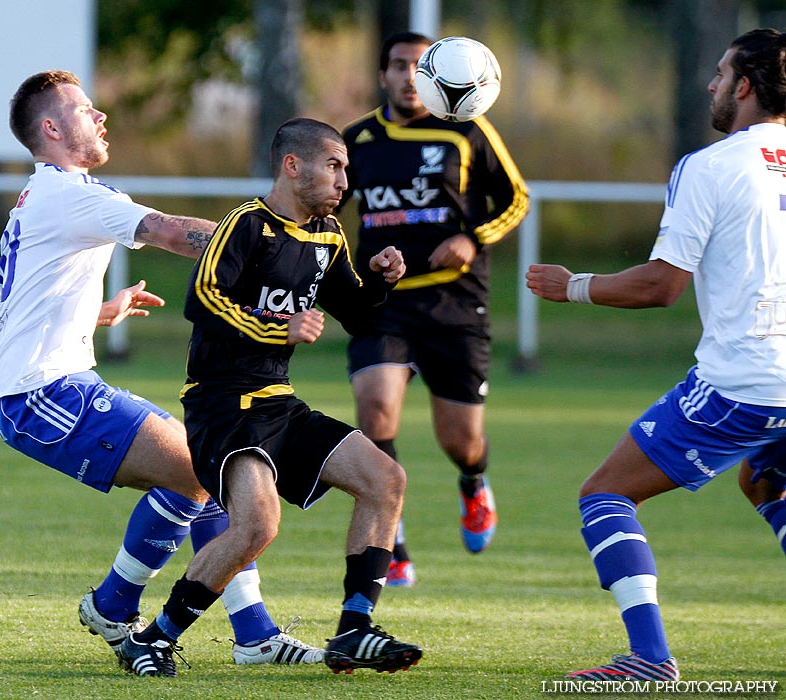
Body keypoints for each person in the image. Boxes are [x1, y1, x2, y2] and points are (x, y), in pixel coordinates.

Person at [0, 70, 323, 669]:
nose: (101, 116)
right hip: (42, 392)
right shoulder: (68, 194)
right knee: (198, 469)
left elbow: (16, 303)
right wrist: (275, 243)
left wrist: (99, 311)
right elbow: (171, 231)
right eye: (86, 109)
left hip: (51, 385)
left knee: (209, 466)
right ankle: (115, 607)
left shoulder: (51, 194)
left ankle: (254, 634)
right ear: (53, 128)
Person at [114, 117, 422, 678]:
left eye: (346, 169)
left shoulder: (328, 235)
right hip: (220, 404)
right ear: (292, 165)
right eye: (334, 166)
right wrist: (278, 329)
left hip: (277, 403)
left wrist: (380, 281)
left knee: (386, 480)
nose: (344, 181)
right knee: (258, 525)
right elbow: (203, 299)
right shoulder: (246, 225)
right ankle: (154, 639)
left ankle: (354, 629)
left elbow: (354, 313)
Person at [525, 28, 786, 681]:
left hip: (747, 380)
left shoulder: (712, 164)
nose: (712, 84)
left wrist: (572, 286)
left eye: (722, 73)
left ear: (746, 86)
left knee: (605, 493)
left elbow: (660, 286)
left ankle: (648, 657)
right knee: (766, 480)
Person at [340, 32, 530, 585]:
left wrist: (473, 237)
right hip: (382, 302)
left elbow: (515, 199)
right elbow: (323, 207)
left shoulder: (467, 130)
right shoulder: (357, 141)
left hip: (454, 302)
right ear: (384, 76)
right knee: (375, 410)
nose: (407, 76)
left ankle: (473, 481)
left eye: (418, 66)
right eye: (398, 66)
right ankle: (390, 534)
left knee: (460, 440)